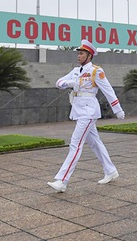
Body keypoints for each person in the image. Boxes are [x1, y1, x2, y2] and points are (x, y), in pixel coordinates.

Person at [47, 40, 125, 193]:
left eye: (81, 53)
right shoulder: (76, 71)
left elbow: (108, 91)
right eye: (78, 53)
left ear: (89, 56)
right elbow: (58, 82)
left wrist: (118, 109)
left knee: (75, 144)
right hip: (79, 110)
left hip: (89, 111)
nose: (78, 55)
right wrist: (70, 83)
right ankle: (110, 170)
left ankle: (62, 180)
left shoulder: (96, 71)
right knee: (95, 142)